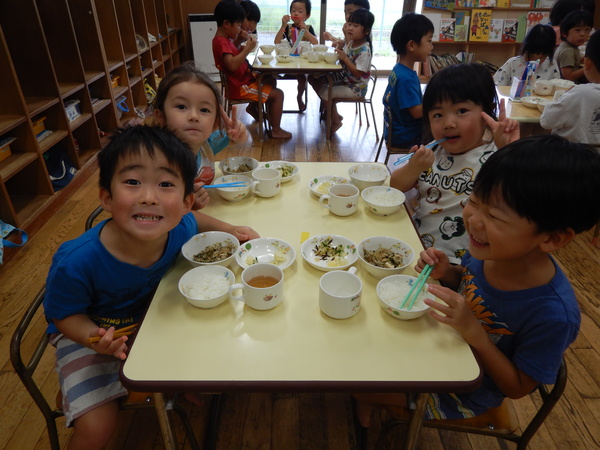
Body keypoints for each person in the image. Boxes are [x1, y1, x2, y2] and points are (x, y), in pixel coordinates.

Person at [355, 134, 600, 426]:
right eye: (473, 201)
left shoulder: (554, 315)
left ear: (553, 237)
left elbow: (518, 388)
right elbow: (467, 279)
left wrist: (474, 333)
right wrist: (447, 272)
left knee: (358, 382)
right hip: (444, 343)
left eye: (495, 216)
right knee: (363, 339)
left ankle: (370, 403)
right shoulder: (490, 251)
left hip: (465, 392)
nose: (472, 219)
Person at [43, 125, 259, 449]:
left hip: (150, 316)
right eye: (132, 182)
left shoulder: (177, 225)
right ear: (106, 197)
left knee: (215, 338)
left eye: (166, 184)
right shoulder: (76, 261)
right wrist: (94, 339)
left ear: (186, 202)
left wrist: (230, 228)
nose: (148, 196)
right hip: (91, 336)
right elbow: (64, 316)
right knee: (98, 427)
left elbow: (197, 222)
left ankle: (175, 382)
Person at [389, 63, 519, 264]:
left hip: (461, 263)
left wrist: (509, 151)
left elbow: (523, 193)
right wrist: (414, 167)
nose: (448, 123)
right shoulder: (432, 151)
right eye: (438, 115)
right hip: (415, 247)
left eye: (461, 111)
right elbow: (394, 187)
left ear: (486, 114)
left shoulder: (496, 157)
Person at [150, 62, 247, 210]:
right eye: (181, 107)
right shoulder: (157, 160)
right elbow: (156, 209)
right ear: (160, 117)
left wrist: (240, 133)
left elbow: (238, 140)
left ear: (215, 123)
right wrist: (186, 206)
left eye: (204, 110)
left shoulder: (204, 144)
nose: (194, 116)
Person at [212, 0, 292, 139]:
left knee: (270, 79)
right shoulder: (221, 41)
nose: (239, 28)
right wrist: (247, 48)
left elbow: (232, 54)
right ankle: (276, 129)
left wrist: (238, 43)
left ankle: (255, 109)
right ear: (226, 24)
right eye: (237, 25)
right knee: (279, 94)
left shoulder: (224, 40)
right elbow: (231, 65)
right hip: (241, 87)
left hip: (242, 81)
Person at [313, 8, 375, 134]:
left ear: (366, 32)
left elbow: (358, 73)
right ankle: (334, 115)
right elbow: (344, 60)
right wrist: (341, 51)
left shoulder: (364, 50)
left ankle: (335, 120)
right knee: (320, 82)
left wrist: (345, 58)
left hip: (356, 88)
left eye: (355, 26)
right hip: (346, 81)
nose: (350, 28)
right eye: (350, 25)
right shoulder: (352, 43)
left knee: (325, 93)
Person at [382, 13, 434, 151]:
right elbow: (416, 112)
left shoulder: (398, 69)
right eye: (429, 41)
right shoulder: (406, 78)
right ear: (411, 45)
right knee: (444, 136)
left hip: (395, 132)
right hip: (406, 137)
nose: (432, 46)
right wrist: (437, 104)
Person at [541, 28, 600, 145]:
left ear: (587, 63)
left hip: (570, 158)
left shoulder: (581, 93)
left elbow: (546, 121)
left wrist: (565, 96)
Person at [274, 0, 318, 111]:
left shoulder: (308, 28)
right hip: (287, 62)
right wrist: (283, 25)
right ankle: (273, 104)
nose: (296, 14)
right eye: (293, 11)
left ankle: (299, 97)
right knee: (271, 74)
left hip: (302, 65)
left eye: (300, 11)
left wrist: (305, 31)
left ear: (307, 15)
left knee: (302, 78)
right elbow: (277, 42)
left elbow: (316, 43)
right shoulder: (288, 28)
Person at [493, 24, 560, 86]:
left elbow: (556, 88)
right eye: (532, 56)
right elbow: (496, 86)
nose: (535, 61)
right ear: (525, 47)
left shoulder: (551, 64)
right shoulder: (512, 63)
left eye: (542, 58)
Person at [554, 9, 593, 83]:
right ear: (564, 33)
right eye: (578, 30)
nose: (583, 34)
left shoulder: (570, 46)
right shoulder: (567, 51)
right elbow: (569, 76)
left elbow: (572, 61)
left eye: (587, 30)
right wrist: (588, 67)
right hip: (566, 86)